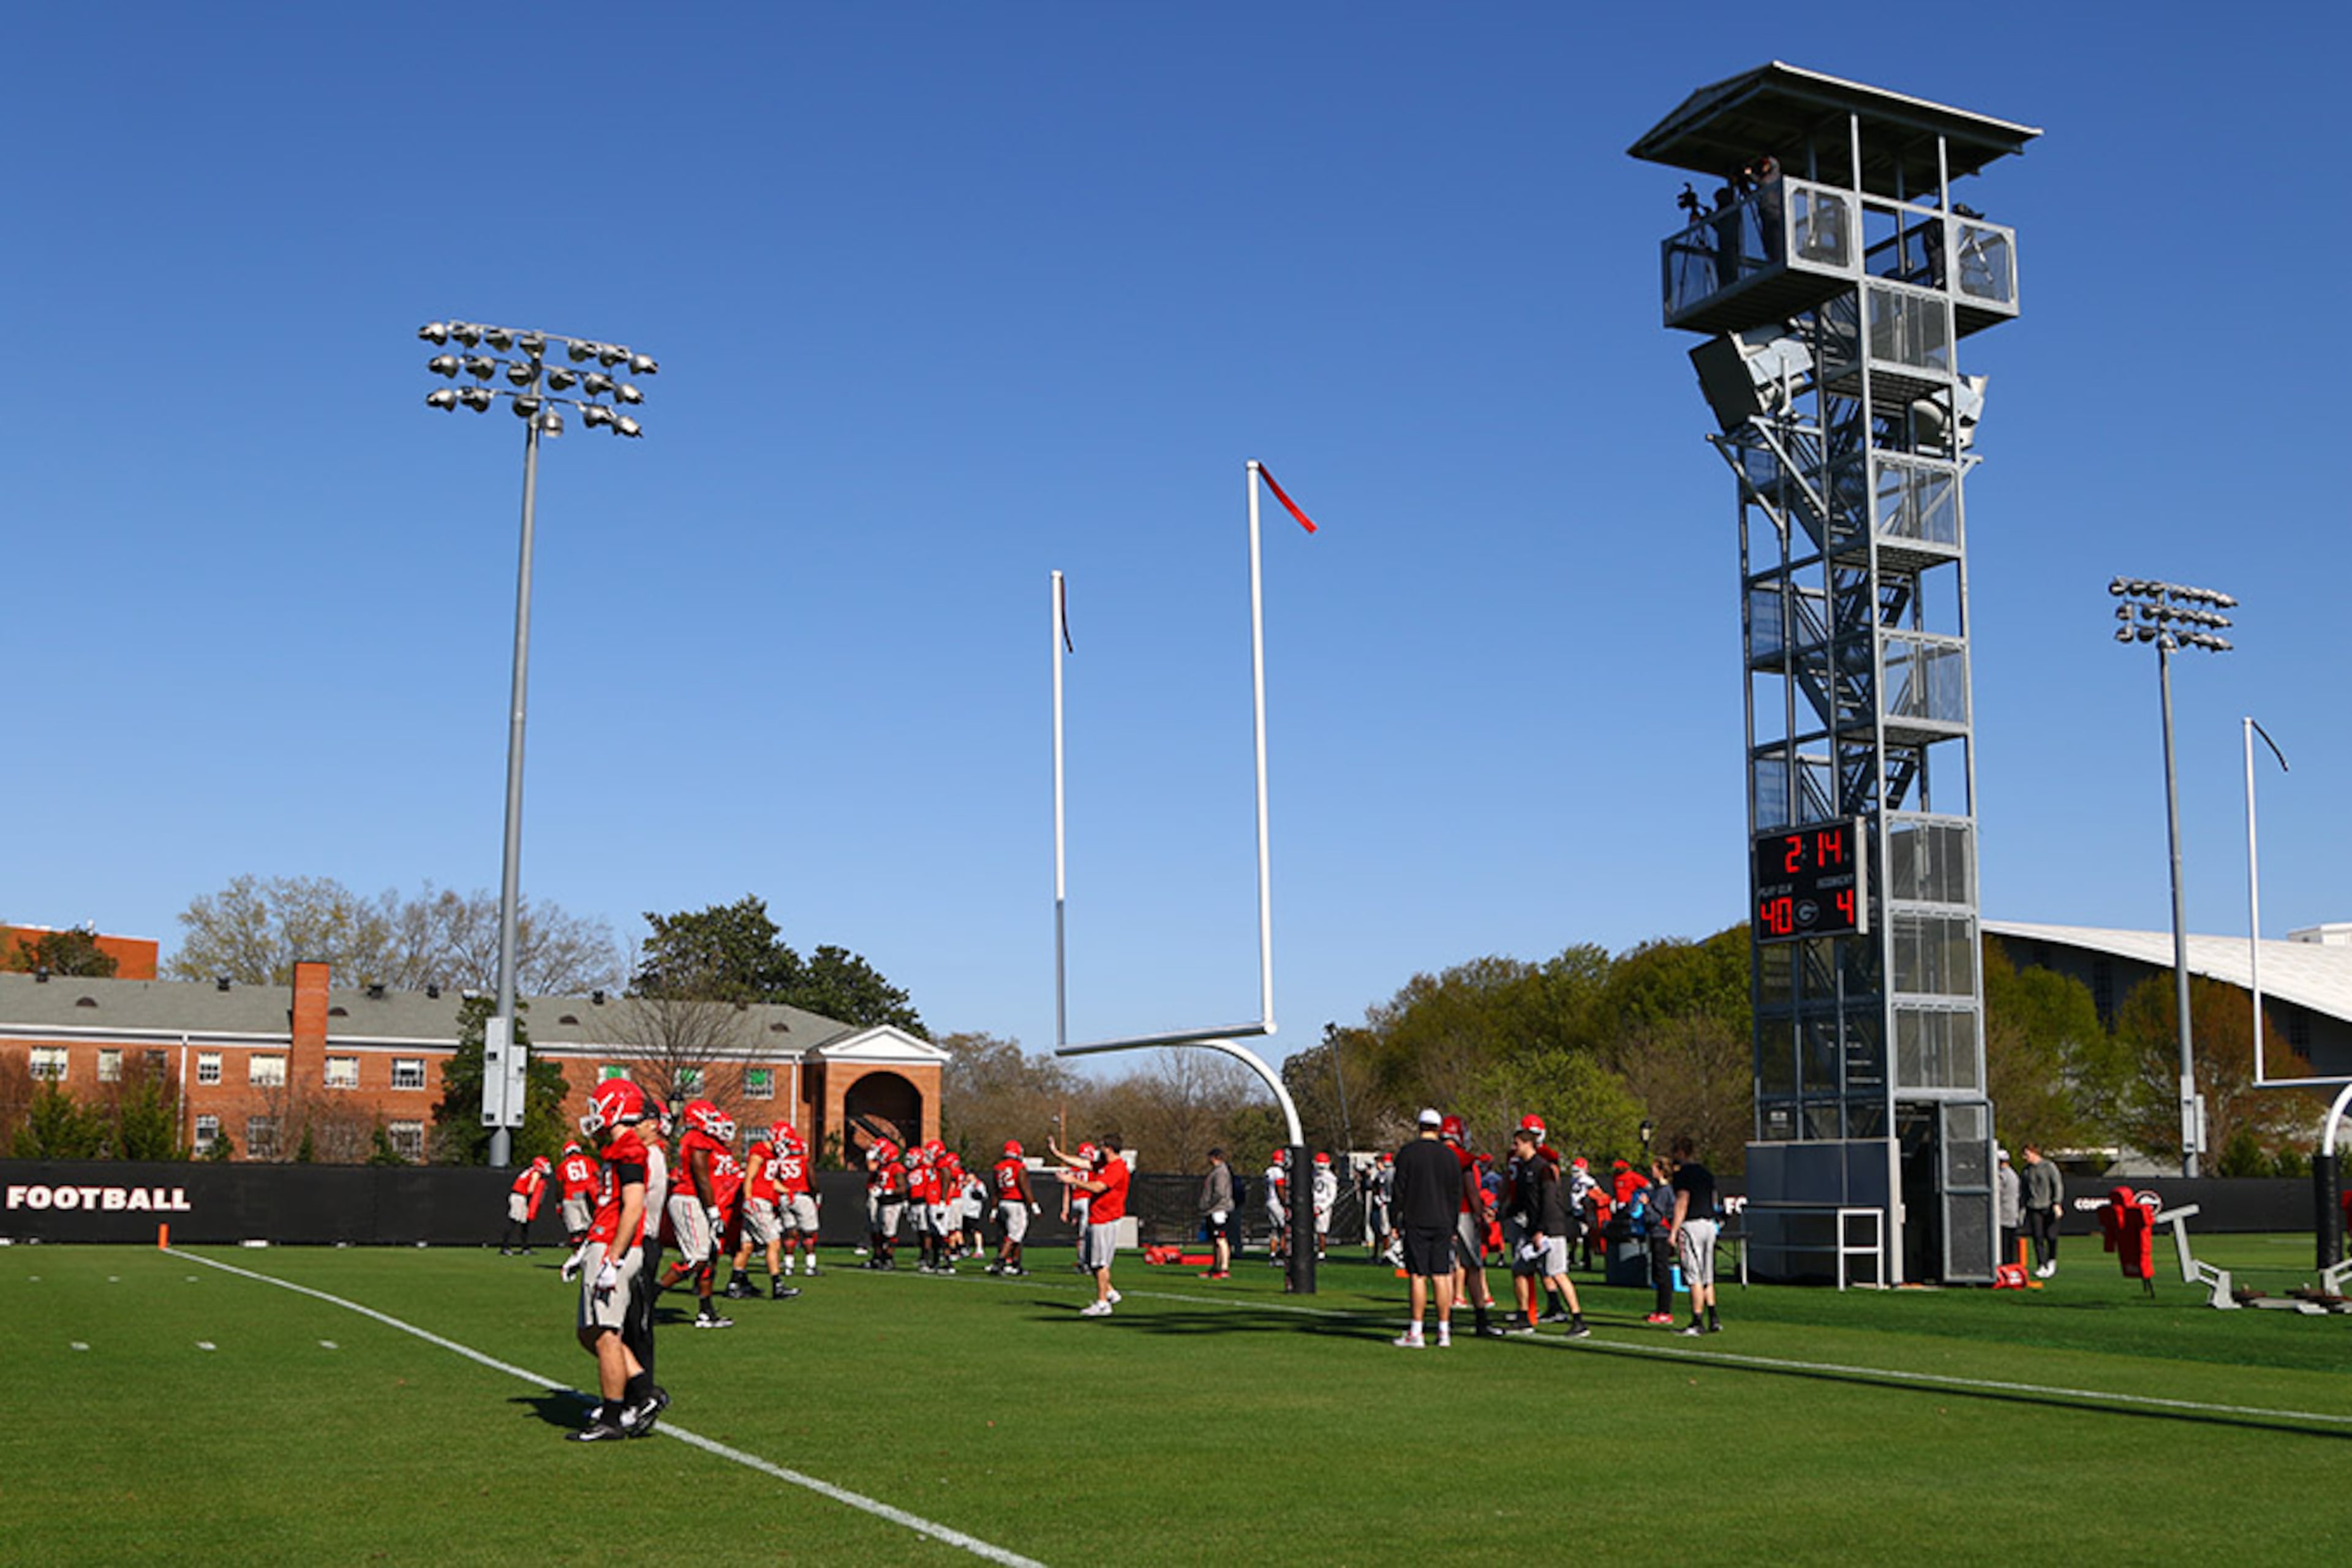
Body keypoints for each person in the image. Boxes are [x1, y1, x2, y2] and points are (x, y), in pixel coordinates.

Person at [565, 1077, 658, 1442]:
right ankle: (643, 1392)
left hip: (613, 1248)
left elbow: (633, 1207)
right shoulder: (618, 1146)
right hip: (601, 1243)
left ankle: (614, 1418)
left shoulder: (631, 1148)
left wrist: (612, 1259)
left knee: (606, 1334)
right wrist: (585, 1249)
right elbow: (610, 1207)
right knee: (589, 1333)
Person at [652, 1098, 731, 1329]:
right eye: (710, 1117)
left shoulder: (706, 1140)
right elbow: (701, 1177)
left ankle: (706, 1312)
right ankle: (649, 1298)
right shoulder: (696, 1139)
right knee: (696, 1259)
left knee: (710, 1257)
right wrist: (714, 1211)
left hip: (699, 1201)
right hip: (690, 1199)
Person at [1390, 1110, 1460, 1348]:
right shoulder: (1450, 1156)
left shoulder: (1408, 1154)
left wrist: (1394, 1221)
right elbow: (1455, 1194)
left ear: (1419, 1126)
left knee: (1418, 1275)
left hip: (1417, 1218)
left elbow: (1399, 1190)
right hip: (1443, 1221)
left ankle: (1417, 1330)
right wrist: (1453, 1224)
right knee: (1441, 1275)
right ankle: (1444, 1331)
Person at [1511, 1126, 1589, 1336]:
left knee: (1558, 1274)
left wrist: (1541, 1230)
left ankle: (1578, 1319)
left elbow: (1548, 1202)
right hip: (1534, 1229)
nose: (1514, 1148)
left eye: (1517, 1144)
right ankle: (1523, 1316)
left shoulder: (1543, 1168)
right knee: (1519, 1269)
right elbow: (1522, 1202)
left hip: (1550, 1229)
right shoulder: (1523, 1169)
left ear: (1528, 1144)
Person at [1441, 1115, 1503, 1337]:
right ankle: (1481, 1319)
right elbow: (1471, 1190)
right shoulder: (1463, 1158)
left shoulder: (1435, 1155)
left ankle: (1444, 1321)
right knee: (1473, 1267)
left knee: (1444, 1270)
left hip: (1438, 1215)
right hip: (1464, 1213)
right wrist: (1479, 1213)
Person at [1067, 1137, 1130, 1316]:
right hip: (1097, 1217)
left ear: (1109, 1148)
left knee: (1100, 1263)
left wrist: (1072, 1180)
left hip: (1105, 1219)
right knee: (1090, 1261)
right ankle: (1110, 1292)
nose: (1099, 1149)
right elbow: (1083, 1163)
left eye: (1102, 1146)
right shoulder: (1104, 1164)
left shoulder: (1116, 1168)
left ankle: (1103, 1303)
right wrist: (1057, 1153)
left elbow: (1097, 1187)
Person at [1666, 1137, 1721, 1336]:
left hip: (1692, 1225)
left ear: (1680, 1152)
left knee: (1693, 1274)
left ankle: (1697, 1320)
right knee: (1707, 1274)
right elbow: (1714, 1198)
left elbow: (1682, 1202)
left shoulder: (1684, 1174)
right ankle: (1714, 1317)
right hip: (1709, 1224)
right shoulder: (1706, 1173)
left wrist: (1673, 1231)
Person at [771, 1121, 819, 1284]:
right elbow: (812, 1181)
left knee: (790, 1233)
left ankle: (789, 1266)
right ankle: (810, 1266)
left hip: (785, 1196)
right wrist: (816, 1194)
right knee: (809, 1233)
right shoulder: (804, 1161)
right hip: (802, 1196)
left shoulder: (781, 1162)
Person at [1638, 1156, 1679, 1325]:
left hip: (1661, 1235)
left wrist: (1646, 1205)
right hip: (1657, 1234)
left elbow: (1656, 1216)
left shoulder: (1663, 1191)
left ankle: (1665, 1311)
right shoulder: (1660, 1190)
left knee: (1662, 1273)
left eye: (1655, 1168)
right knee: (1658, 1272)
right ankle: (1661, 1309)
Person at [990, 1139, 1038, 1275]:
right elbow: (1024, 1187)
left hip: (1002, 1203)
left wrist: (993, 1210)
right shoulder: (1019, 1166)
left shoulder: (998, 1167)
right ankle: (999, 1262)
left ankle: (1016, 1265)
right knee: (1015, 1235)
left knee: (1014, 1235)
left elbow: (995, 1191)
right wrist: (1034, 1205)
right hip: (1015, 1203)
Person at [2021, 1144, 2063, 1278]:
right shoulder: (2027, 1171)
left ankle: (2052, 1260)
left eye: (2027, 1154)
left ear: (2034, 1153)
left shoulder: (2048, 1167)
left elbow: (2057, 1184)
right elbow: (2024, 1190)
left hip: (2049, 1206)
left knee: (2051, 1236)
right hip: (2034, 1207)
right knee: (2037, 1237)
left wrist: (2057, 1203)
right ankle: (2041, 1264)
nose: (2025, 1157)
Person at [1197, 1148, 1235, 1278]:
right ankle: (1216, 1267)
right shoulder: (1217, 1172)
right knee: (1215, 1240)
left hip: (1219, 1210)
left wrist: (1208, 1204)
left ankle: (1224, 1268)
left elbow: (1219, 1192)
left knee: (1221, 1239)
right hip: (1215, 1209)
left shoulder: (1221, 1172)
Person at [502, 1155, 549, 1254]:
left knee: (524, 1223)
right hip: (520, 1197)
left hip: (518, 1196)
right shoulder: (536, 1173)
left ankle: (525, 1247)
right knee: (515, 1221)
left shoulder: (530, 1170)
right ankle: (505, 1246)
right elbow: (531, 1189)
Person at [556, 1139, 599, 1248]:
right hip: (588, 1196)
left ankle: (577, 1256)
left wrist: (558, 1202)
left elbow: (560, 1186)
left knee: (575, 1232)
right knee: (591, 1228)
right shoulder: (588, 1161)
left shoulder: (563, 1165)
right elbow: (599, 1174)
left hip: (570, 1197)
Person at [1995, 1147, 2022, 1270]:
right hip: (2012, 1212)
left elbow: (1997, 1193)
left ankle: (2005, 1269)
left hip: (2003, 1214)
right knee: (2010, 1244)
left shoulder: (2002, 1175)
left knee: (2004, 1244)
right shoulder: (2013, 1174)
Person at [1263, 1149, 1289, 1265]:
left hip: (1269, 1201)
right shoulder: (1279, 1173)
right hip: (1277, 1203)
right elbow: (1280, 1188)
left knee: (1275, 1230)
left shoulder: (1269, 1171)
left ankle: (1273, 1255)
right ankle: (1282, 1254)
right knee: (1285, 1229)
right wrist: (1285, 1202)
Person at [1311, 1152, 1338, 1261]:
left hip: (1323, 1206)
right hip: (1314, 1203)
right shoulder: (1313, 1175)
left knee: (1321, 1231)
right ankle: (1312, 1251)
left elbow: (1332, 1196)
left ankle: (1321, 1254)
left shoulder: (1330, 1177)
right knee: (1310, 1231)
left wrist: (1322, 1207)